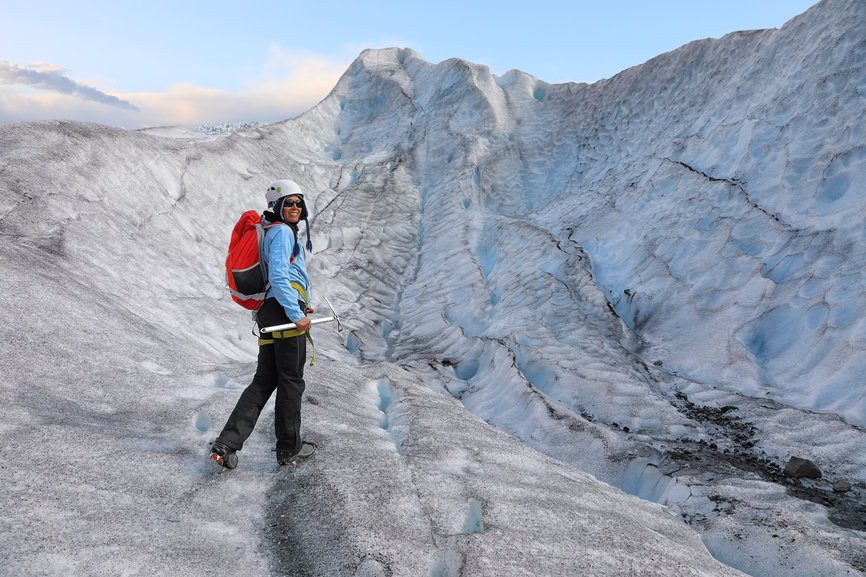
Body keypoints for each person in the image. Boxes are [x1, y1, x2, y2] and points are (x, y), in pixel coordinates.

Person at [211, 179, 317, 468]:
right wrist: (297, 316)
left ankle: (227, 444)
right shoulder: (282, 232)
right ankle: (288, 449)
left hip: (268, 312)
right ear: (277, 206)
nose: (295, 207)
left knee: (265, 379)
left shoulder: (269, 229)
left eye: (299, 202)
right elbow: (281, 277)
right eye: (289, 203)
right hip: (284, 313)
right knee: (291, 381)